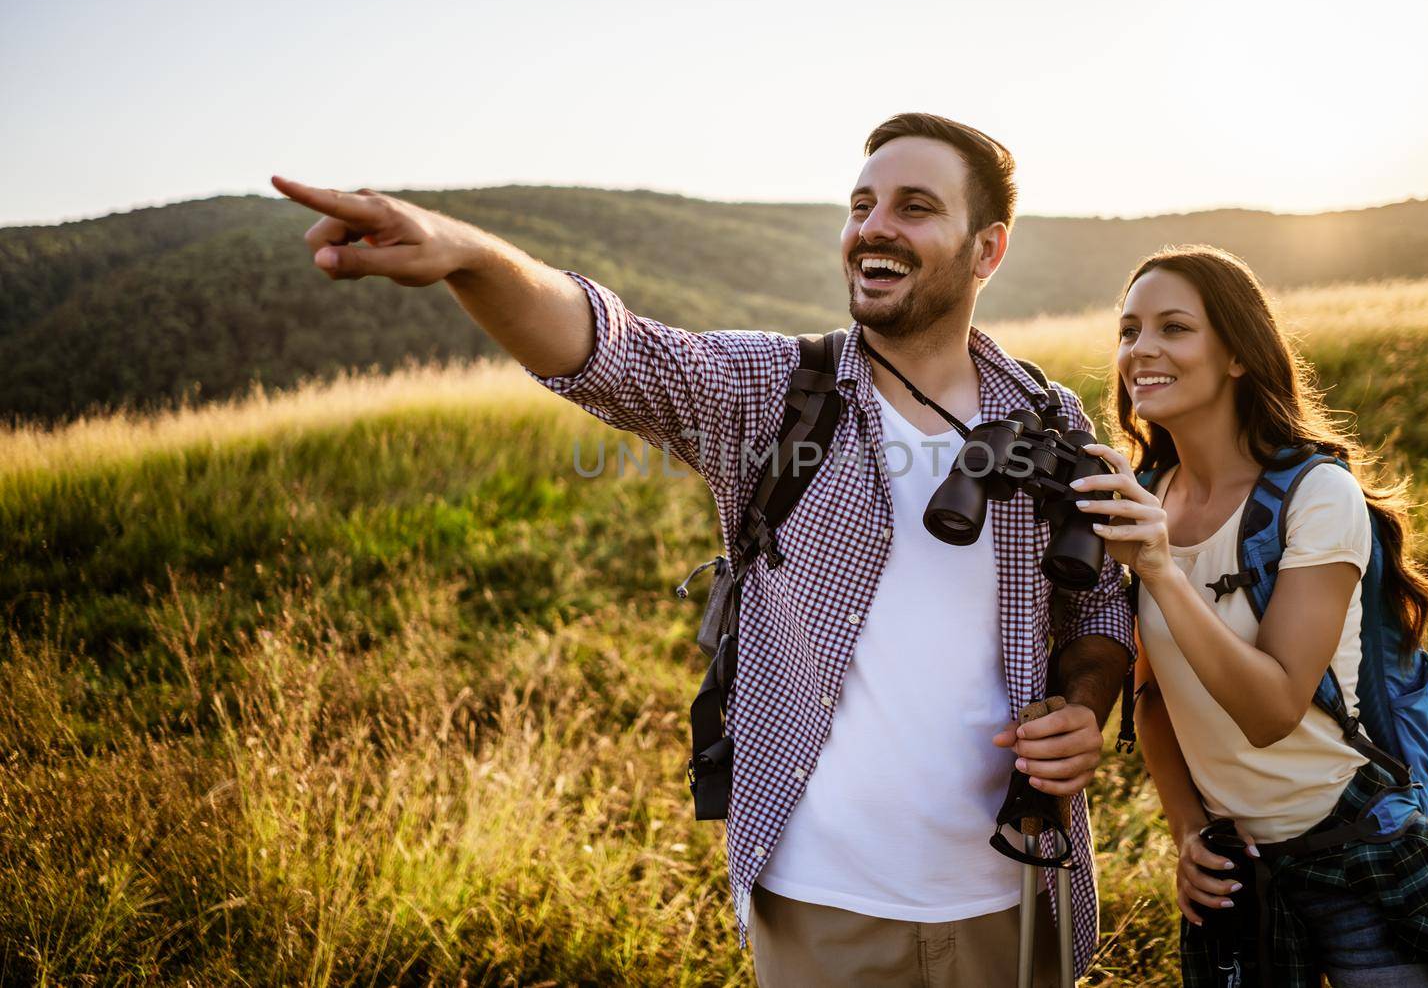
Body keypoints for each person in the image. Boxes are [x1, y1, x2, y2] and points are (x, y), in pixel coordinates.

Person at [270, 112, 1135, 987]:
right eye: (861, 203)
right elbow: (611, 351)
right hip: (824, 907)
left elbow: (1098, 604)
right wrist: (469, 256)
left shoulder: (1049, 416)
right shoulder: (775, 394)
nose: (873, 227)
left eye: (914, 207)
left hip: (1015, 892)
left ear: (986, 250)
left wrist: (1085, 702)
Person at [1070, 245, 1428, 986]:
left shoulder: (1316, 495)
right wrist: (1189, 831)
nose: (1140, 350)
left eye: (1174, 327)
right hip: (1240, 873)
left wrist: (1159, 567)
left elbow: (1272, 708)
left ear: (1236, 354)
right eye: (1129, 330)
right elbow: (1152, 695)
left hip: (1354, 848)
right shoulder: (1143, 494)